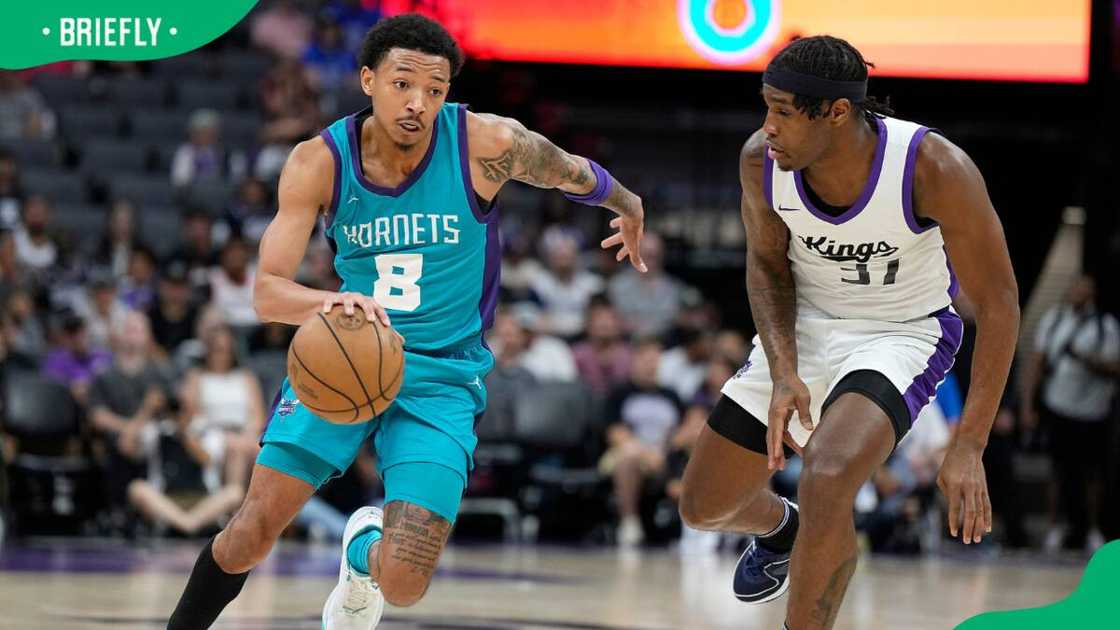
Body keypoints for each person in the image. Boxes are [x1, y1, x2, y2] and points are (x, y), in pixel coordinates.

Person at [165, 14, 646, 630]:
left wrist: (628, 205)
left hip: (442, 379)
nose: (419, 103)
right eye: (402, 84)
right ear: (368, 79)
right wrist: (333, 304)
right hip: (347, 353)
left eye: (436, 89)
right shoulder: (318, 160)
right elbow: (265, 295)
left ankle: (359, 550)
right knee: (250, 533)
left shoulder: (485, 143)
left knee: (405, 582)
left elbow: (568, 169)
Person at [678, 36, 1019, 630]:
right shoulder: (761, 160)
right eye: (766, 106)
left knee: (830, 476)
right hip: (805, 326)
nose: (768, 126)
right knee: (704, 507)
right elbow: (766, 267)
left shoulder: (933, 167)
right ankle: (784, 528)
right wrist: (784, 371)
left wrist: (969, 445)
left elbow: (1000, 302)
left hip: (901, 331)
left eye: (783, 110)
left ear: (836, 112)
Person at [1020, 275, 1119, 551]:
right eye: (1075, 288)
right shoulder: (1054, 320)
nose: (1078, 293)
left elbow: (1115, 367)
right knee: (1058, 470)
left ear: (1093, 295)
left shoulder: (1105, 327)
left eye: (1084, 290)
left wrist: (1087, 360)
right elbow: (1036, 363)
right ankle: (1055, 528)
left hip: (1093, 410)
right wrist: (1028, 406)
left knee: (1093, 474)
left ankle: (1092, 529)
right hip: (1058, 406)